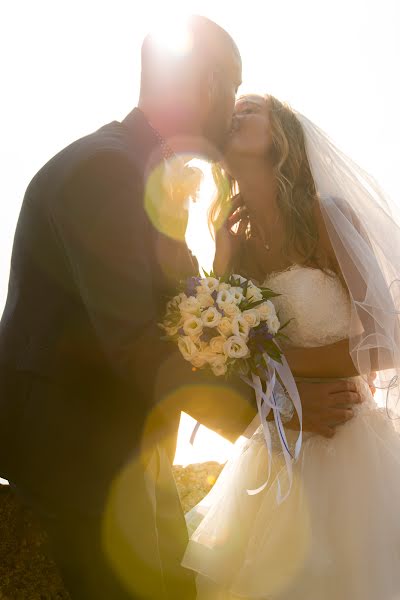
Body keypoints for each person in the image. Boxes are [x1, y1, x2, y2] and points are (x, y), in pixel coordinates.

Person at [0, 16, 362, 599]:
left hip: (121, 445)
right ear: (211, 83)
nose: (237, 111)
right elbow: (137, 341)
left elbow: (194, 320)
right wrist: (277, 413)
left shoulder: (143, 174)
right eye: (235, 93)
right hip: (77, 449)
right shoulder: (105, 169)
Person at [182, 94, 400, 600]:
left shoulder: (328, 216)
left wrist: (288, 367)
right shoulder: (237, 241)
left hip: (346, 442)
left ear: (281, 137)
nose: (233, 113)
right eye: (229, 108)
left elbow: (386, 339)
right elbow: (225, 355)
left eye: (249, 109)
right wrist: (220, 256)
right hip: (281, 445)